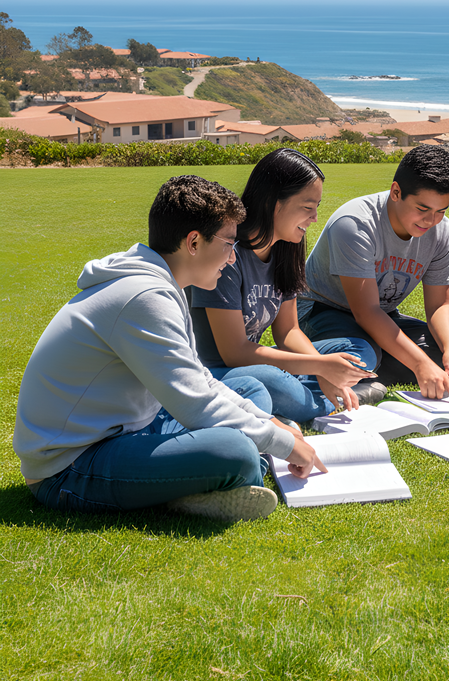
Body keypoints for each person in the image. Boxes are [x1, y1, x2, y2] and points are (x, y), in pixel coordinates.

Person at [13, 175, 327, 522]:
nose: (232, 259)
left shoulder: (160, 285)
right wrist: (283, 443)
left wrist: (270, 424)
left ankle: (195, 482)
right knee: (236, 451)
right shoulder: (144, 297)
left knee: (249, 389)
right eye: (228, 244)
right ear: (193, 242)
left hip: (131, 427)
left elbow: (200, 380)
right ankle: (194, 487)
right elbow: (195, 404)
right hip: (70, 465)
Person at [189, 148, 382, 423]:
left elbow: (288, 331)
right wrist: (320, 367)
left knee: (359, 351)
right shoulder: (227, 256)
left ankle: (309, 393)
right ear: (273, 203)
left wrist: (322, 367)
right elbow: (234, 353)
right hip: (220, 372)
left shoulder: (285, 250)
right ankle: (324, 402)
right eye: (308, 207)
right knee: (270, 381)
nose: (315, 218)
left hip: (255, 362)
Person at [299, 145, 449, 402]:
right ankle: (323, 365)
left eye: (441, 211)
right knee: (364, 351)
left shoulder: (442, 231)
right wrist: (419, 363)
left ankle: (366, 373)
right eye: (422, 209)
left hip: (382, 315)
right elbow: (366, 312)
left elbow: (440, 304)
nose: (431, 221)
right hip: (323, 311)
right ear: (396, 192)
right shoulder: (355, 224)